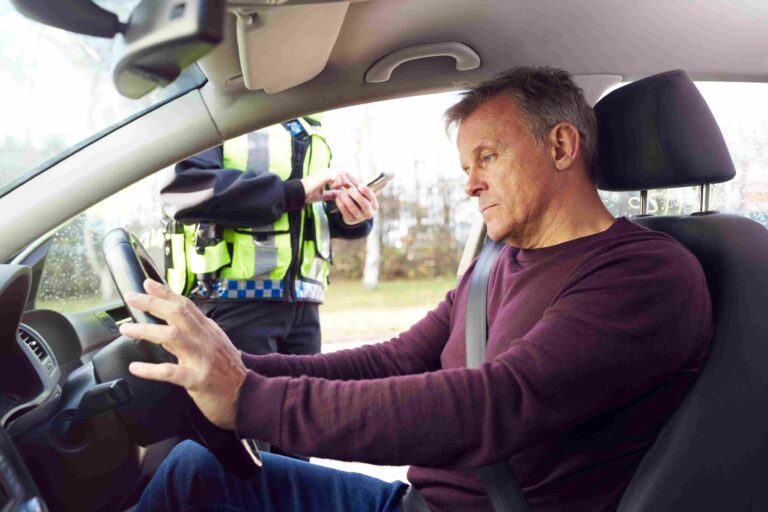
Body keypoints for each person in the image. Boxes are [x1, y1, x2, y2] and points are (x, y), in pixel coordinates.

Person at [123, 67, 713, 512]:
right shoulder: (498, 264)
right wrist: (235, 365)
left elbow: (495, 404)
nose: (470, 186)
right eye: (466, 168)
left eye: (488, 157)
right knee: (195, 471)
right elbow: (397, 359)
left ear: (561, 146)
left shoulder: (646, 275)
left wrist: (251, 400)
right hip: (417, 503)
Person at [160, 116, 377, 359]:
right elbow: (184, 190)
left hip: (305, 308)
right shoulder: (218, 118)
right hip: (233, 304)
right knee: (245, 397)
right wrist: (293, 191)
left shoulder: (310, 123)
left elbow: (309, 212)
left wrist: (349, 217)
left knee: (304, 396)